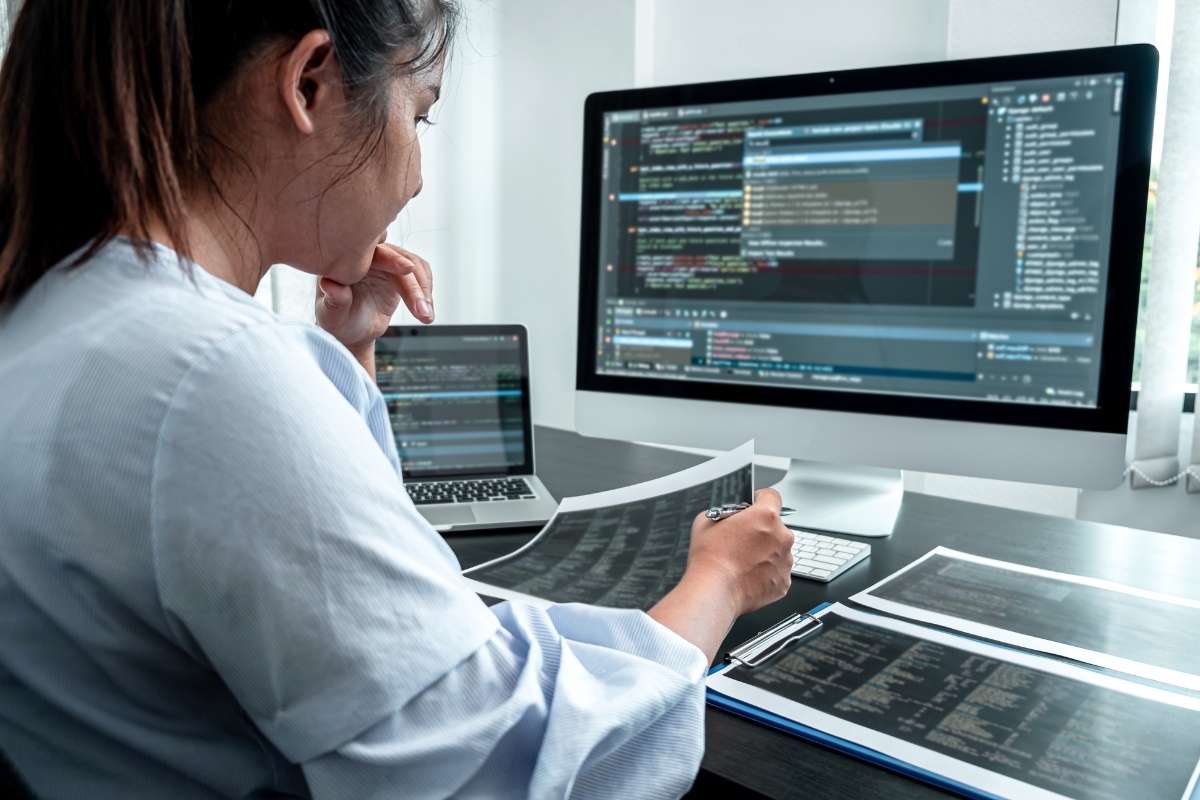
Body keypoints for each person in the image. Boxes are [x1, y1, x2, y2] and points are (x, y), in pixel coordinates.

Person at [0, 2, 795, 798]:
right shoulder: (214, 374)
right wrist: (718, 583)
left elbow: (387, 626)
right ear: (309, 85)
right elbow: (510, 772)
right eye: (421, 115)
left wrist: (348, 360)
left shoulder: (52, 318)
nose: (417, 174)